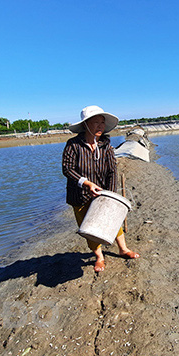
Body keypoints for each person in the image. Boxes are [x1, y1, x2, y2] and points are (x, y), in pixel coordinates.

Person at [62, 105, 139, 272]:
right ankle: (99, 257)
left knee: (113, 220)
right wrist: (86, 183)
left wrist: (109, 195)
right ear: (85, 125)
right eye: (95, 122)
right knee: (89, 226)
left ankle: (123, 249)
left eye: (102, 122)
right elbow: (67, 169)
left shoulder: (106, 146)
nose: (100, 126)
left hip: (102, 194)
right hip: (80, 195)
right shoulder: (73, 145)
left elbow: (112, 170)